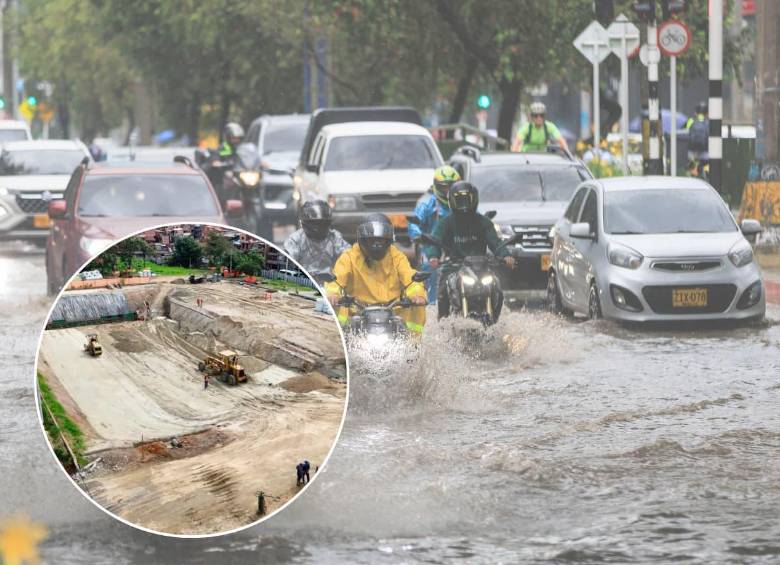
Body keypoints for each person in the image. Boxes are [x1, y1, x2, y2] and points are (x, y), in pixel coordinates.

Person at [426, 181, 516, 320]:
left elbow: (496, 243)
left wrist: (505, 256)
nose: (464, 204)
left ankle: (495, 322)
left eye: (467, 199)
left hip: (481, 267)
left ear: (474, 200)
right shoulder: (445, 223)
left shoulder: (484, 222)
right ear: (452, 201)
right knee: (443, 290)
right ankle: (442, 324)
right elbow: (435, 241)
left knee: (497, 287)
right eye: (460, 200)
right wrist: (433, 256)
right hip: (453, 267)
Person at [325, 214, 427, 334]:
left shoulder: (397, 256)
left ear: (388, 240)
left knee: (418, 308)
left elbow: (410, 277)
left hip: (392, 310)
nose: (377, 245)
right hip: (358, 311)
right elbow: (336, 279)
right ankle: (339, 340)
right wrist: (333, 295)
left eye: (381, 240)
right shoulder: (349, 257)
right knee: (333, 311)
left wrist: (417, 295)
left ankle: (412, 345)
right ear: (363, 240)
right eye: (372, 240)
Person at [408, 166, 460, 304]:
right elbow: (414, 223)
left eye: (452, 187)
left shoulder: (464, 200)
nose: (449, 192)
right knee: (430, 268)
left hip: (458, 243)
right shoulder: (426, 203)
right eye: (445, 188)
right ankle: (432, 304)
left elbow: (478, 216)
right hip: (430, 246)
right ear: (437, 186)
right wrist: (418, 236)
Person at [283, 200, 351, 275]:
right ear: (305, 223)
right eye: (315, 223)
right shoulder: (295, 240)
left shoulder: (335, 237)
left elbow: (349, 257)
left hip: (333, 284)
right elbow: (287, 267)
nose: (319, 227)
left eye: (322, 223)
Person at [686, 101, 709, 178]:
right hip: (705, 152)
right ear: (707, 113)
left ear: (696, 112)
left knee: (693, 170)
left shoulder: (690, 121)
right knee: (707, 167)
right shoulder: (709, 123)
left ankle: (693, 177)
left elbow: (687, 133)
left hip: (692, 152)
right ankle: (707, 177)